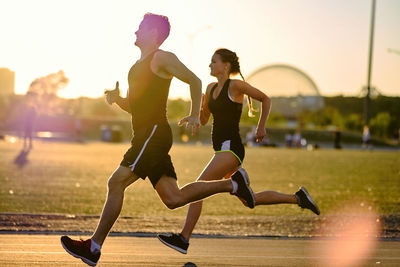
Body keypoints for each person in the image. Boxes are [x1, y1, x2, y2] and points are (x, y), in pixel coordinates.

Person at [60, 14, 255, 267]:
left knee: (116, 182)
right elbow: (135, 107)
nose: (135, 31)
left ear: (153, 33)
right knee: (173, 199)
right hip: (145, 135)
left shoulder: (162, 58)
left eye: (141, 27)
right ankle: (233, 185)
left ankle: (93, 247)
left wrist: (195, 114)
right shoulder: (135, 67)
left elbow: (194, 81)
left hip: (153, 134)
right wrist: (118, 99)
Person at [157, 48, 320, 254]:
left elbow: (266, 99)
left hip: (231, 148)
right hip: (221, 150)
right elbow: (206, 118)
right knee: (249, 199)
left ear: (226, 66)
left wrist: (261, 127)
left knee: (198, 189)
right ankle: (298, 198)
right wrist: (197, 116)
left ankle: (183, 238)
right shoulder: (210, 88)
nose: (210, 65)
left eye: (214, 61)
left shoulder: (235, 86)